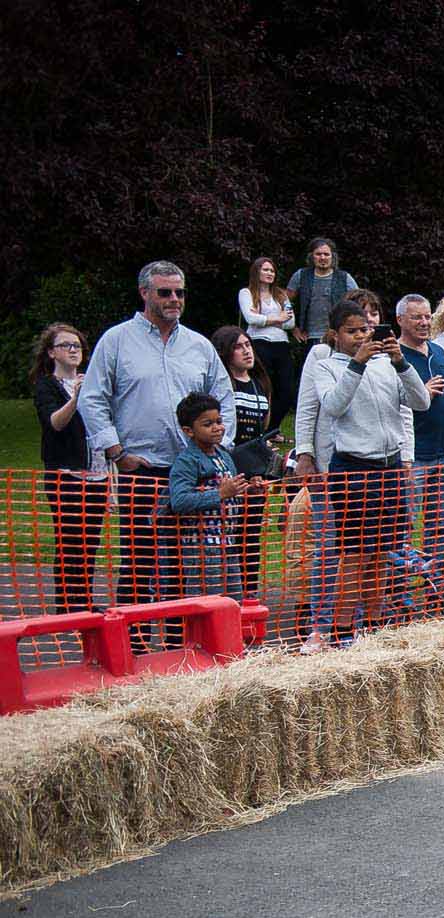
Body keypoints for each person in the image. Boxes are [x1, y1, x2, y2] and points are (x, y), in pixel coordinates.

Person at [78, 261, 235, 645]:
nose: (174, 299)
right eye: (165, 292)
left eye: (179, 292)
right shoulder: (116, 341)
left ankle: (181, 643)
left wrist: (216, 448)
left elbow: (224, 398)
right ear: (144, 293)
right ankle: (133, 643)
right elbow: (92, 398)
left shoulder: (198, 345)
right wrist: (116, 451)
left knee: (190, 561)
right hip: (143, 469)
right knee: (140, 560)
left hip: (194, 471)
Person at [299, 299, 430, 652]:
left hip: (389, 467)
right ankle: (342, 629)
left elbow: (421, 402)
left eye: (365, 330)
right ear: (336, 334)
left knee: (382, 553)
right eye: (352, 331)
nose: (360, 336)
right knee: (355, 555)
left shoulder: (387, 366)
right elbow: (333, 405)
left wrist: (401, 363)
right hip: (354, 468)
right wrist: (356, 365)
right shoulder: (326, 366)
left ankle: (373, 624)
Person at [32, 323, 106, 613]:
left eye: (77, 346)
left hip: (96, 474)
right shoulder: (47, 386)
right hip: (66, 475)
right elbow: (54, 423)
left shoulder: (93, 384)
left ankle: (84, 599)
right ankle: (67, 602)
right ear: (52, 352)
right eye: (67, 345)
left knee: (91, 541)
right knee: (70, 539)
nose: (74, 350)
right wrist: (76, 398)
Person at [166, 392, 266, 600]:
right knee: (208, 604)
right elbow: (179, 501)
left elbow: (232, 494)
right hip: (202, 548)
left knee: (232, 602)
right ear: (188, 431)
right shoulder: (187, 461)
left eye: (219, 421)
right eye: (207, 424)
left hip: (228, 544)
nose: (217, 427)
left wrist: (249, 490)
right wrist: (221, 493)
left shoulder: (224, 456)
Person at [395, 295, 444, 574]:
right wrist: (420, 390)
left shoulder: (437, 350)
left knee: (439, 526)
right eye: (416, 317)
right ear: (400, 320)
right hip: (414, 457)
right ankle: (399, 589)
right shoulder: (394, 358)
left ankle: (437, 581)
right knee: (405, 525)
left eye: (427, 316)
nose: (424, 323)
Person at [212, 326, 278, 597]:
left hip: (255, 473)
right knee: (227, 537)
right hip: (229, 467)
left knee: (250, 538)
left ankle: (248, 594)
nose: (247, 350)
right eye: (239, 346)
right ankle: (226, 595)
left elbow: (262, 428)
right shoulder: (222, 384)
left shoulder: (259, 383)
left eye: (248, 344)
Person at [238, 257, 296, 422]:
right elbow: (251, 319)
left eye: (272, 270)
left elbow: (290, 322)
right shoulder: (246, 293)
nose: (269, 273)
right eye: (265, 269)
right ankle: (262, 427)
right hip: (259, 343)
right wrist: (279, 318)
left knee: (287, 390)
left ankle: (274, 427)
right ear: (256, 271)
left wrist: (264, 318)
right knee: (264, 386)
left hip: (281, 345)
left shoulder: (281, 295)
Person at [286, 238, 357, 350]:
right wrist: (293, 328)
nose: (322, 257)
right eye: (318, 254)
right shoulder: (301, 276)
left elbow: (359, 305)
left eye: (326, 254)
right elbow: (284, 302)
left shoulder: (344, 278)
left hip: (337, 337)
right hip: (309, 338)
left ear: (332, 257)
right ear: (312, 256)